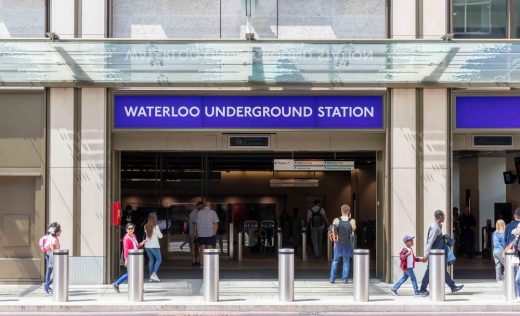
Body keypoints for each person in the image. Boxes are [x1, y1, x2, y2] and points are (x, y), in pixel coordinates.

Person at [419, 210, 464, 295]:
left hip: (437, 254)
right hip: (435, 255)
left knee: (439, 270)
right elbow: (430, 241)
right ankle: (422, 289)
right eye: (443, 216)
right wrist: (426, 255)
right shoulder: (435, 227)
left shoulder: (437, 226)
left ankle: (453, 287)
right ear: (439, 216)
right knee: (433, 271)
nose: (444, 217)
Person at [113, 223, 146, 293]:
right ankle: (116, 283)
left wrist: (142, 243)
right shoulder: (126, 238)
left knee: (134, 273)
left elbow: (136, 246)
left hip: (135, 257)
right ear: (126, 230)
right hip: (130, 257)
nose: (131, 230)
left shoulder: (134, 236)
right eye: (129, 228)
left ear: (134, 229)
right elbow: (126, 249)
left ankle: (117, 284)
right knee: (132, 273)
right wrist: (126, 260)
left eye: (132, 228)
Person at [328, 204, 356, 284]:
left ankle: (332, 278)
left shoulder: (336, 220)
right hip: (347, 243)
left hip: (338, 243)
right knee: (346, 261)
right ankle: (345, 279)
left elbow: (333, 230)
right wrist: (350, 217)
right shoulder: (352, 221)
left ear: (341, 211)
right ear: (349, 212)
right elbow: (353, 229)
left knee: (335, 260)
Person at [195, 201, 220, 267]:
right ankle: (209, 264)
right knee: (210, 247)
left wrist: (196, 233)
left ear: (205, 205)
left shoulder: (199, 212)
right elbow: (216, 224)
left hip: (201, 233)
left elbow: (197, 224)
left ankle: (201, 263)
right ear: (210, 205)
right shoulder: (213, 212)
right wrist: (214, 233)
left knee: (202, 248)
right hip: (210, 233)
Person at [144, 213, 163, 282]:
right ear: (154, 218)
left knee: (151, 260)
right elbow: (160, 236)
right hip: (154, 246)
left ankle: (150, 277)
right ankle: (154, 275)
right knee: (159, 259)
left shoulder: (145, 226)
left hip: (147, 246)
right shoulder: (155, 226)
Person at [43, 222, 61, 295]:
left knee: (50, 270)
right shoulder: (53, 239)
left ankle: (47, 285)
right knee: (56, 272)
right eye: (60, 231)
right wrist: (55, 257)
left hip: (50, 255)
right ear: (56, 232)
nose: (61, 232)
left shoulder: (52, 236)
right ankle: (47, 285)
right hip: (52, 256)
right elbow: (52, 247)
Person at [189, 201, 204, 266]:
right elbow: (194, 223)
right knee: (193, 246)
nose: (201, 207)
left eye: (202, 206)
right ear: (197, 206)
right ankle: (194, 260)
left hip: (197, 232)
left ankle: (197, 260)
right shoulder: (193, 213)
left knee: (198, 246)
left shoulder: (199, 212)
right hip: (193, 232)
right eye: (200, 206)